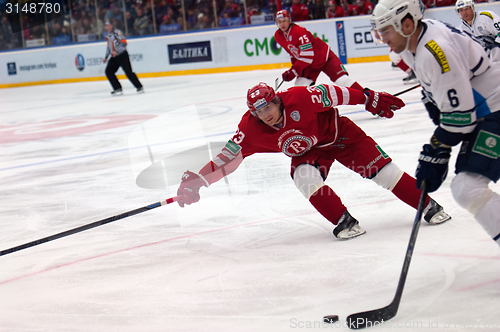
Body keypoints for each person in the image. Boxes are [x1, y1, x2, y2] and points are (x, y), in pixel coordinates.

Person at [176, 82, 451, 240]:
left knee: (385, 174)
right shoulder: (250, 129)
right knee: (304, 178)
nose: (267, 115)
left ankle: (428, 205)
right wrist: (199, 181)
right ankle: (344, 221)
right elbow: (227, 158)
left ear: (277, 100)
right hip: (308, 152)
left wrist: (369, 98)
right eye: (259, 112)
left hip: (340, 135)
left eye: (269, 107)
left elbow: (337, 93)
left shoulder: (300, 97)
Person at [370, 0, 500, 246]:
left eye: (386, 30)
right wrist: (434, 101)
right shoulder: (413, 42)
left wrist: (436, 149)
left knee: (467, 187)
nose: (382, 37)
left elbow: (461, 118)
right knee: (465, 187)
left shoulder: (433, 50)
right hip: (487, 109)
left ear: (406, 23)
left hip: (495, 109)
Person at [274, 9, 364, 91]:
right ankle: (316, 108)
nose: (282, 24)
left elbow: (308, 56)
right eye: (279, 21)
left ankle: (369, 96)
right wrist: (294, 68)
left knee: (343, 81)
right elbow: (293, 53)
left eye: (284, 21)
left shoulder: (298, 32)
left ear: (290, 20)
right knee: (299, 89)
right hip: (309, 65)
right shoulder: (278, 36)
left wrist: (294, 71)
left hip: (324, 57)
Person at [103, 21, 144, 95]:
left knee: (128, 72)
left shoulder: (117, 33)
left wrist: (117, 52)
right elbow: (109, 47)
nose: (107, 27)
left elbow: (124, 42)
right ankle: (117, 88)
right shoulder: (108, 36)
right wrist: (106, 57)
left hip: (122, 55)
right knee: (108, 71)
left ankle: (139, 86)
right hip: (114, 57)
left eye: (109, 25)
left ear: (112, 25)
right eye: (106, 26)